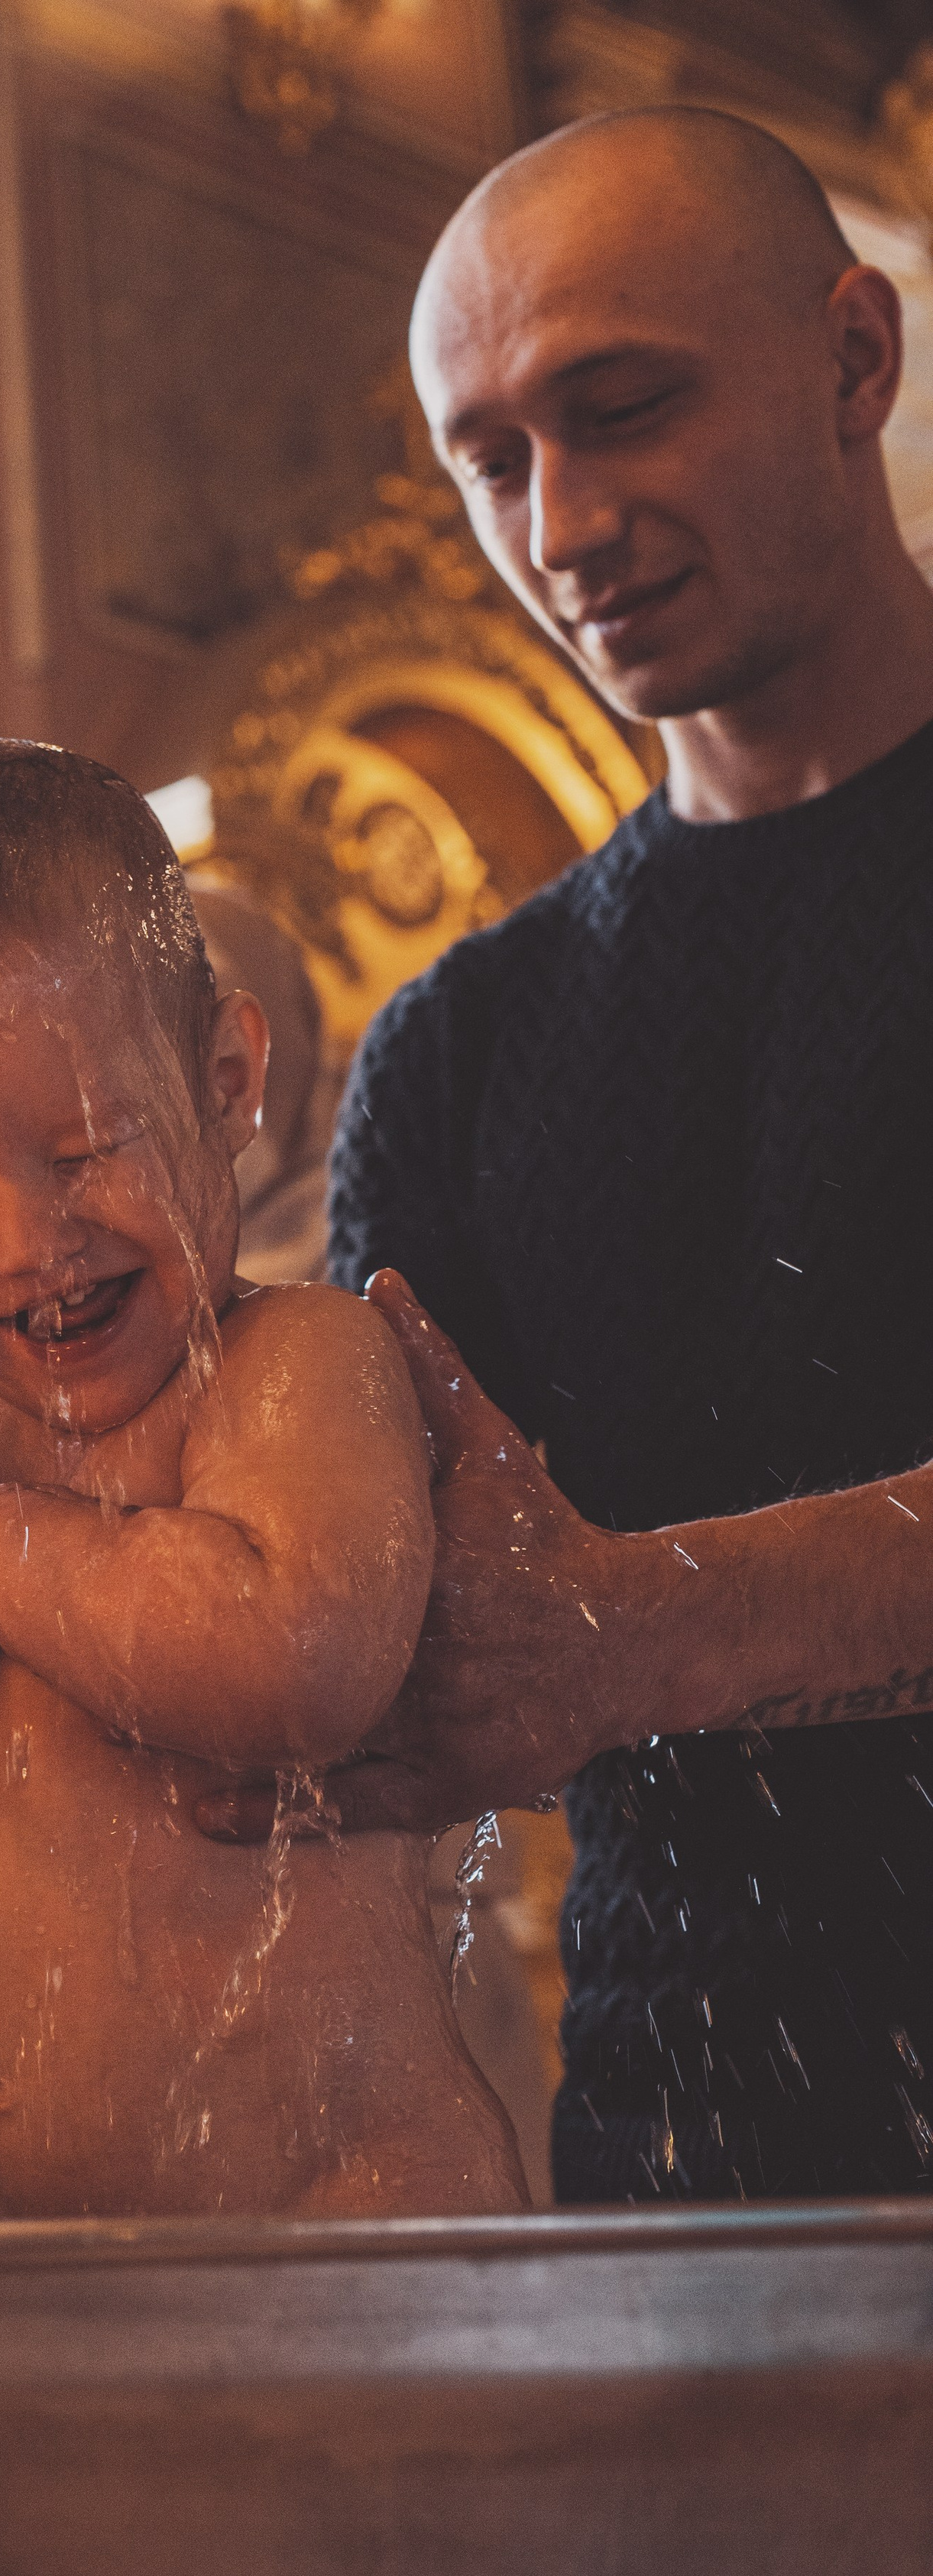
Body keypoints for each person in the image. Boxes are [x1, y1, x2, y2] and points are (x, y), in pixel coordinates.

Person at [315, 106, 933, 2202]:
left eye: (626, 405)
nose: (561, 523)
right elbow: (371, 1641)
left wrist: (659, 1628)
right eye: (491, 457)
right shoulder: (458, 1053)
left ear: (858, 359)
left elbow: (581, 1647)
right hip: (677, 2166)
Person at [0, 744, 526, 2219]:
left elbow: (292, 1663)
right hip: (58, 2256)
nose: (31, 1243)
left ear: (227, 1080)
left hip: (352, 2216)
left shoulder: (290, 1367)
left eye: (89, 1147)